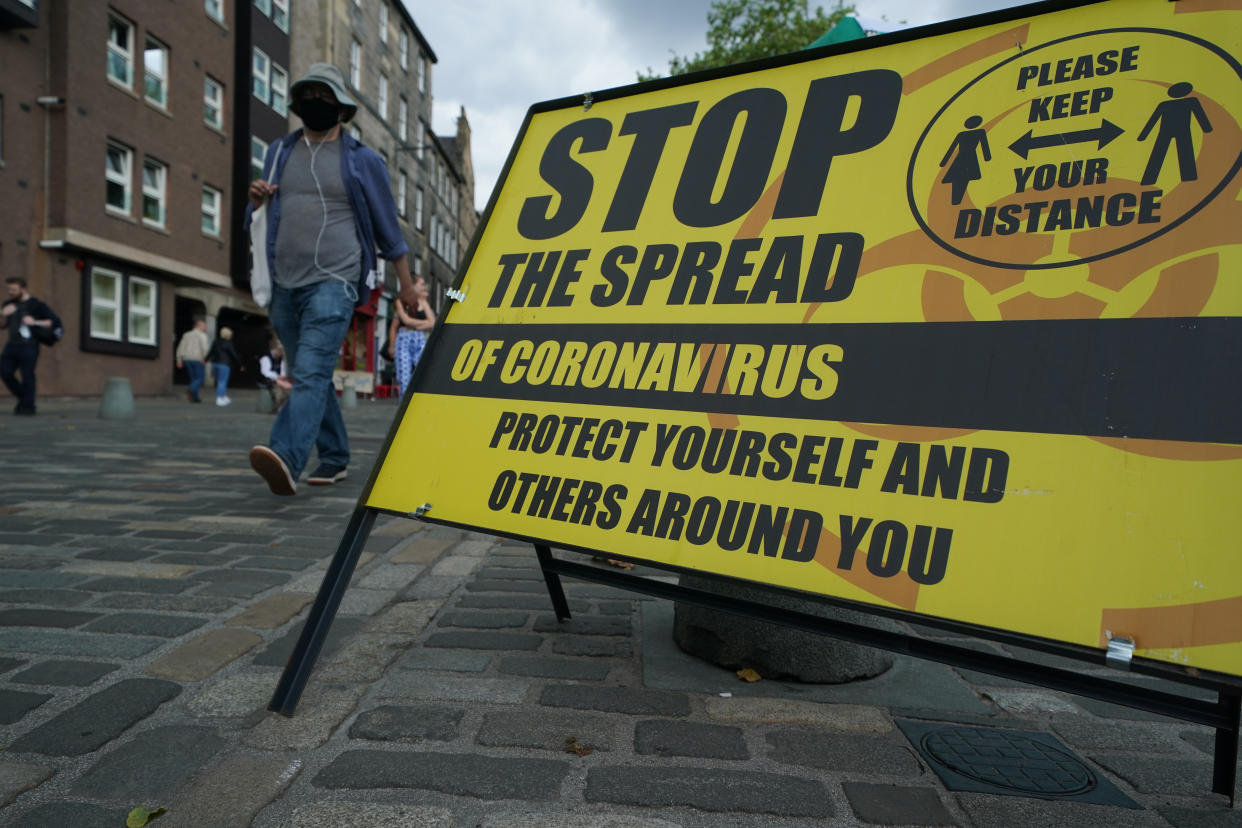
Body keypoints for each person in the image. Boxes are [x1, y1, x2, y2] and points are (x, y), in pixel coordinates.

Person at [244, 62, 417, 495]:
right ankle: (336, 454)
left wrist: (407, 284)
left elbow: (387, 230)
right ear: (297, 104)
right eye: (308, 97)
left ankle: (285, 455)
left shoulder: (362, 161)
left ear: (341, 108)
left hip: (335, 280)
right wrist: (255, 199)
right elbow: (259, 216)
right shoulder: (279, 151)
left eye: (325, 98)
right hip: (284, 281)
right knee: (312, 373)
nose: (315, 104)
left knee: (310, 372)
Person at [1, 276, 56, 416]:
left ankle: (28, 407)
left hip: (29, 345)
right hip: (12, 344)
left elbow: (52, 322)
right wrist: (2, 315)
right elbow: (2, 325)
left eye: (13, 289)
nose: (10, 292)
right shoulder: (8, 304)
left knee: (27, 376)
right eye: (9, 289)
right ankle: (24, 399)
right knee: (4, 371)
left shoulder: (37, 305)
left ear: (23, 289)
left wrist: (35, 322)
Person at [392, 276, 436, 398]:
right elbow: (405, 320)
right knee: (404, 377)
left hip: (419, 338)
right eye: (421, 284)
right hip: (403, 339)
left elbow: (432, 322)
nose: (424, 287)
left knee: (424, 373)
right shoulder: (400, 301)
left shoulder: (423, 302)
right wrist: (423, 324)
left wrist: (415, 325)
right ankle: (404, 406)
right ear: (412, 285)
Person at [175, 317, 210, 403]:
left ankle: (195, 398)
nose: (205, 328)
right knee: (200, 379)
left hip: (186, 359)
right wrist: (205, 358)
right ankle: (190, 390)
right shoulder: (202, 335)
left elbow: (180, 347)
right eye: (204, 326)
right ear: (199, 326)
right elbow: (204, 348)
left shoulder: (186, 334)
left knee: (193, 379)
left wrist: (179, 360)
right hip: (198, 359)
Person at [206, 326, 240, 407]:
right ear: (228, 335)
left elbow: (211, 351)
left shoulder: (216, 341)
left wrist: (205, 359)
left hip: (215, 364)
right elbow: (233, 354)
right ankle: (219, 398)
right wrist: (239, 364)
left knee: (220, 381)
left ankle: (223, 396)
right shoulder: (228, 343)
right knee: (223, 382)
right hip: (224, 364)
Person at [258, 342, 292, 412]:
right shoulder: (266, 357)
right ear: (276, 350)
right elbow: (265, 372)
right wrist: (277, 378)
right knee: (279, 389)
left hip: (278, 379)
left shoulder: (280, 358)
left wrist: (282, 376)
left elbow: (282, 370)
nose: (282, 354)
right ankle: (279, 406)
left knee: (288, 388)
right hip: (266, 380)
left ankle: (284, 405)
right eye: (281, 351)